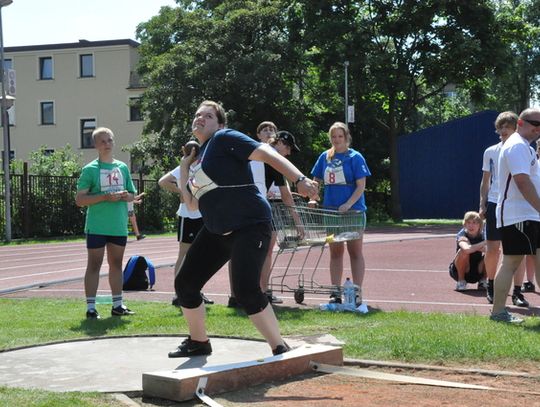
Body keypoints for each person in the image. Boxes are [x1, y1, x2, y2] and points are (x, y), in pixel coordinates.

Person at [168, 100, 319, 357]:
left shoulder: (225, 137)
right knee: (185, 284)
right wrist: (184, 166)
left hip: (250, 225)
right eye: (197, 115)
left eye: (208, 115)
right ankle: (199, 342)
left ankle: (279, 347)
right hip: (217, 230)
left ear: (221, 124)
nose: (200, 118)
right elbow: (191, 205)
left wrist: (299, 178)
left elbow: (266, 153)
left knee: (246, 291)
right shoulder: (198, 161)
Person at [75, 127, 136, 319]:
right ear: (95, 145)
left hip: (117, 225)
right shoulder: (90, 170)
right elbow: (80, 200)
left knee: (116, 264)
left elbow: (132, 194)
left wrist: (127, 196)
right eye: (102, 141)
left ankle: (118, 305)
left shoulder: (122, 168)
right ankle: (91, 308)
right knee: (94, 264)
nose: (107, 144)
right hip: (97, 225)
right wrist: (103, 197)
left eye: (109, 140)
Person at [310, 122, 370, 304]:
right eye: (333, 137)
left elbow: (361, 186)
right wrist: (313, 196)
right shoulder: (325, 157)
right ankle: (335, 291)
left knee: (355, 251)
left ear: (346, 137)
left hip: (353, 211)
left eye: (340, 136)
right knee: (335, 252)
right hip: (331, 211)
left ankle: (357, 291)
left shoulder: (355, 157)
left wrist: (348, 204)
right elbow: (316, 180)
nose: (337, 140)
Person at [492, 107, 540, 323]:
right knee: (511, 261)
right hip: (518, 215)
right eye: (535, 124)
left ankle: (499, 312)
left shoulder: (526, 148)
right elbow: (522, 181)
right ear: (520, 123)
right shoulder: (517, 146)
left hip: (528, 214)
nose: (538, 129)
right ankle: (498, 312)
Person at [479, 111, 529, 306]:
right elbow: (485, 181)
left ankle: (517, 291)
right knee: (492, 249)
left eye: (506, 131)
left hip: (516, 205)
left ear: (516, 128)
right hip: (495, 203)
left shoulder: (522, 148)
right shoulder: (490, 152)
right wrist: (482, 203)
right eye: (500, 132)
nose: (502, 135)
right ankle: (491, 285)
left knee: (519, 251)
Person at [158, 161, 214, 306]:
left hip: (203, 214)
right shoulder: (183, 167)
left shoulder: (205, 166)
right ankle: (178, 293)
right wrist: (182, 191)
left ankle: (197, 291)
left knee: (201, 255)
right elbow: (162, 181)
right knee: (183, 254)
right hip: (188, 216)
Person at [448, 211, 487, 290]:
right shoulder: (461, 234)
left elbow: (490, 250)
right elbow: (466, 249)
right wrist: (484, 243)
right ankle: (461, 281)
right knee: (462, 252)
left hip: (478, 269)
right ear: (465, 224)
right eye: (468, 222)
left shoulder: (484, 235)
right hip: (461, 270)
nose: (471, 225)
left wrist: (471, 246)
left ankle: (483, 281)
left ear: (480, 225)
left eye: (474, 223)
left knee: (492, 254)